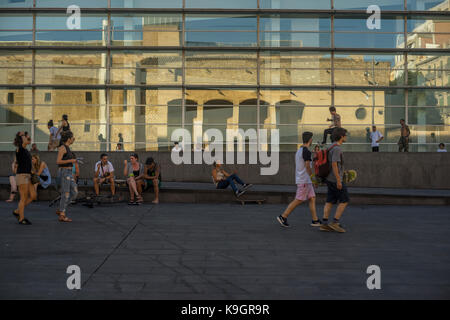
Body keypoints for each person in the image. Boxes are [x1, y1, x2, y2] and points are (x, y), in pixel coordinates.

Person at [277, 132, 321, 228]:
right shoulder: (306, 151)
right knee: (299, 200)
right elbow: (307, 166)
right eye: (312, 139)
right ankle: (283, 216)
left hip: (305, 180)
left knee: (312, 198)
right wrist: (314, 179)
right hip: (305, 180)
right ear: (310, 140)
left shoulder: (299, 150)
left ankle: (315, 220)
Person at [319, 128, 349, 233]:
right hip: (335, 179)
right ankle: (335, 223)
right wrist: (339, 180)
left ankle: (324, 223)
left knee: (330, 201)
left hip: (329, 179)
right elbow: (334, 164)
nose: (346, 136)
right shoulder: (337, 148)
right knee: (345, 200)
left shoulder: (330, 146)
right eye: (345, 135)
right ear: (341, 136)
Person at [12, 131, 35, 225]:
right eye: (24, 136)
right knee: (23, 197)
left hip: (28, 175)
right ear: (21, 139)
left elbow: (29, 141)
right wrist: (20, 135)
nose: (27, 136)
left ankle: (17, 211)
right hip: (22, 176)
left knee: (33, 195)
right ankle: (21, 218)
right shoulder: (19, 149)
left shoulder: (25, 149)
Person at [55, 131, 77, 222]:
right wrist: (71, 160)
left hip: (69, 172)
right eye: (72, 138)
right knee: (66, 193)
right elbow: (58, 161)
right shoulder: (62, 148)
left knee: (74, 192)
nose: (73, 139)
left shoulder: (67, 147)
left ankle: (61, 209)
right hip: (64, 172)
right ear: (69, 139)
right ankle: (62, 214)